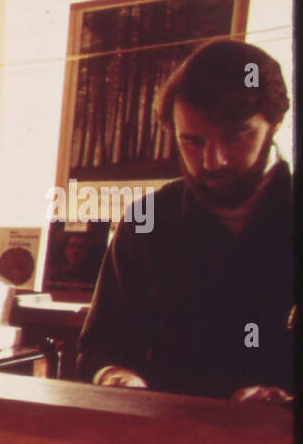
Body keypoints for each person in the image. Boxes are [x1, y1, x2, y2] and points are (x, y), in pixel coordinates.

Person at [76, 38, 293, 402]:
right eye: (192, 142)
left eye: (235, 137)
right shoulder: (147, 220)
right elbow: (100, 347)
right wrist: (117, 376)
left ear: (274, 123)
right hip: (166, 442)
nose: (212, 162)